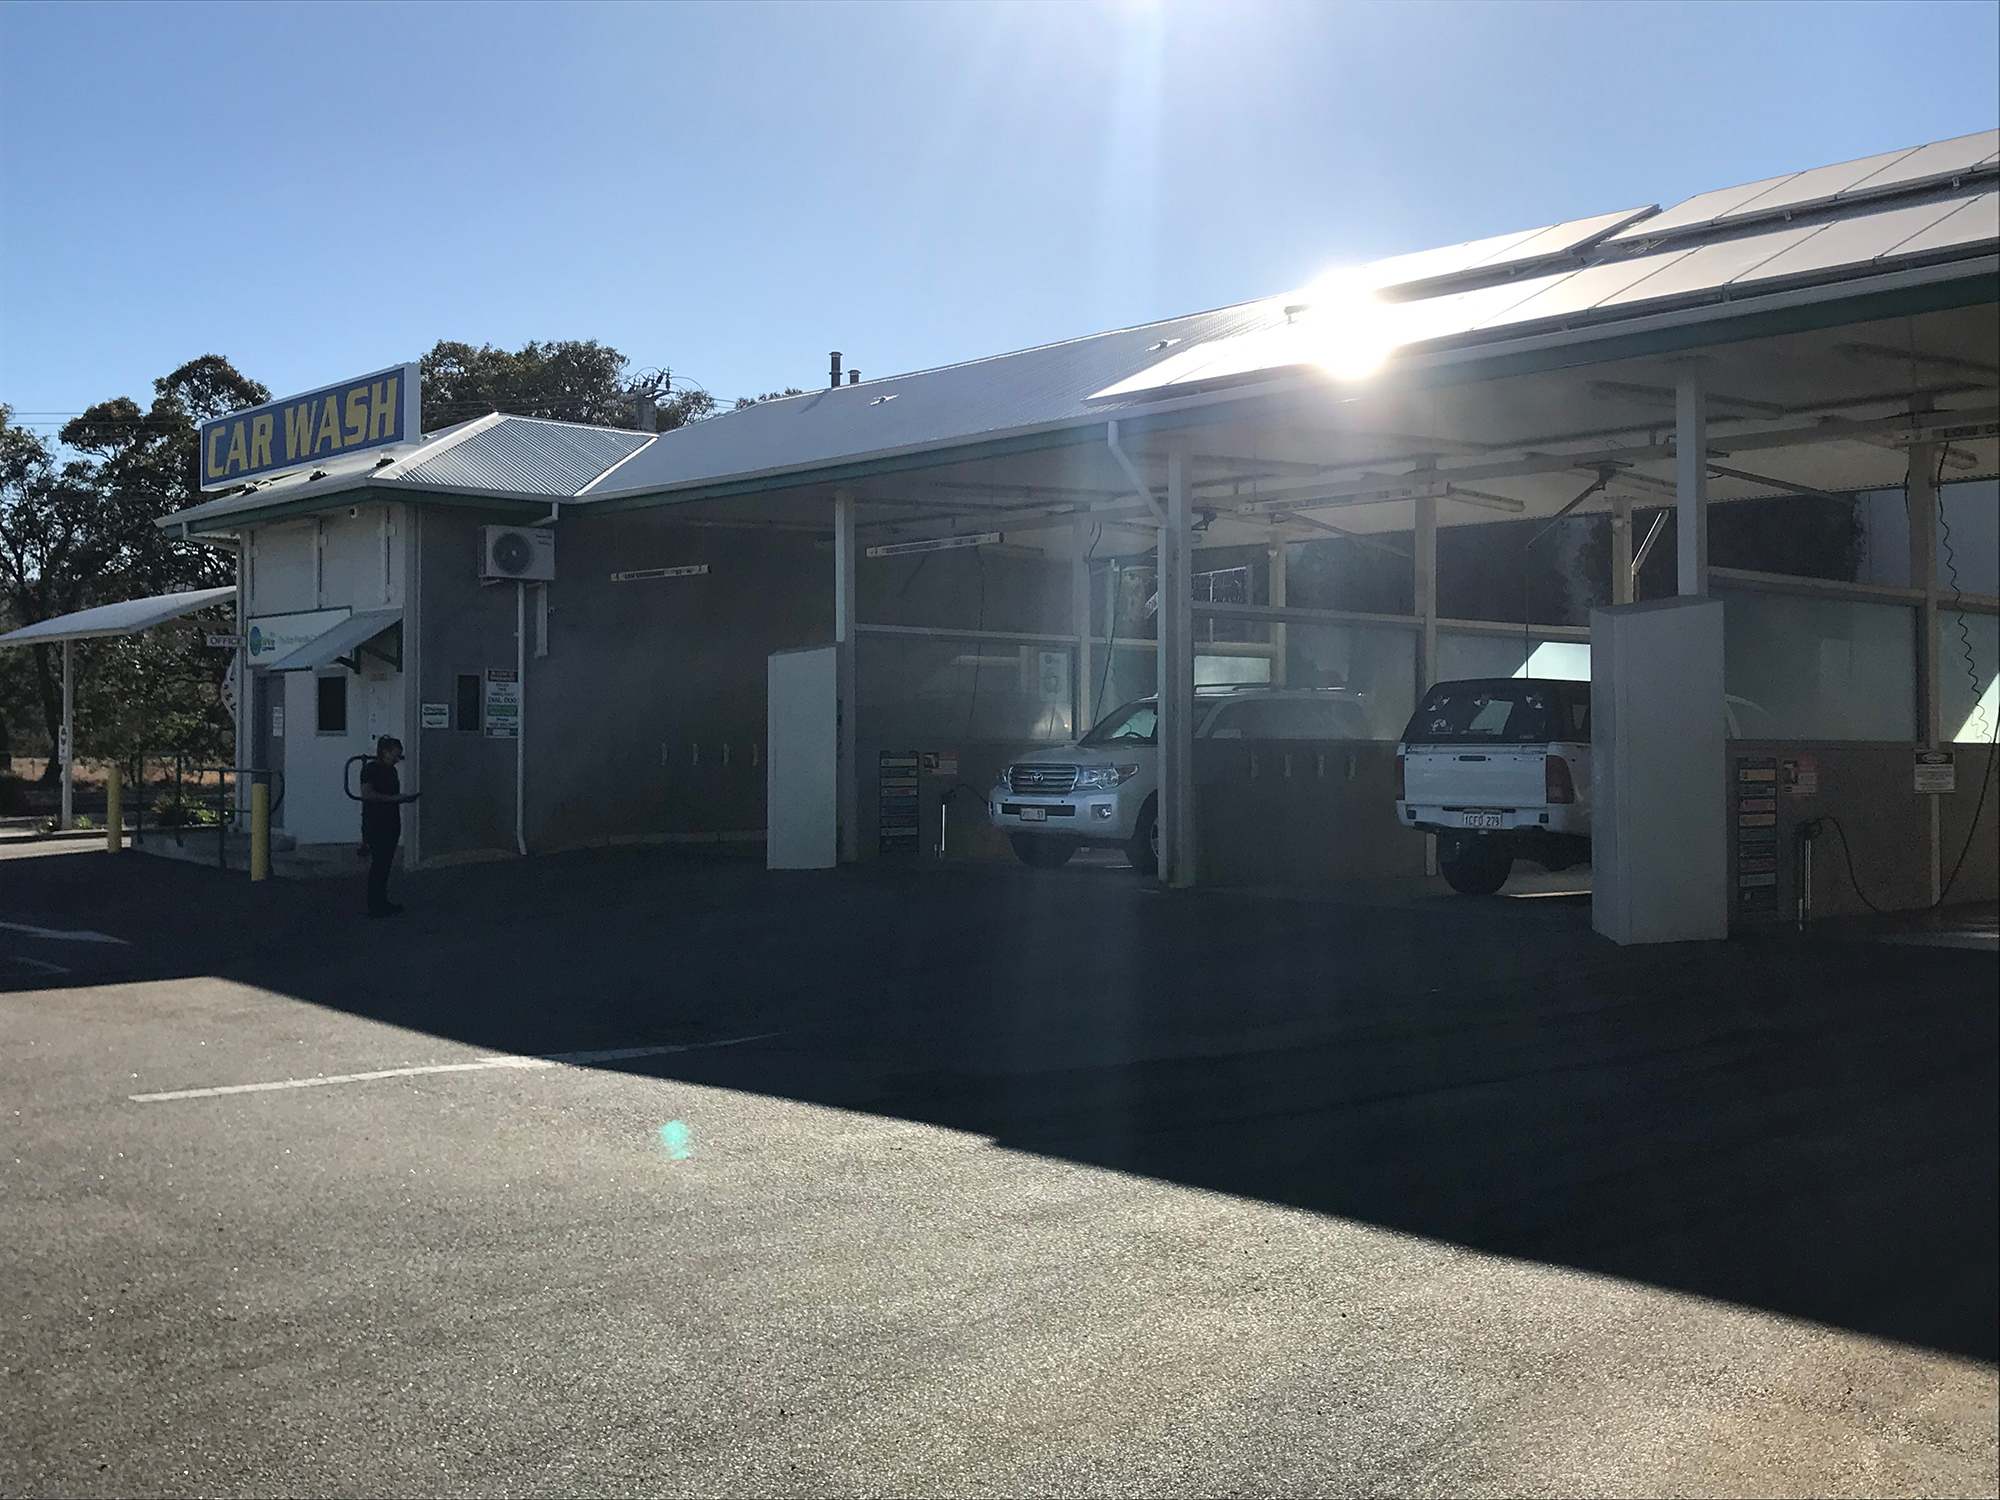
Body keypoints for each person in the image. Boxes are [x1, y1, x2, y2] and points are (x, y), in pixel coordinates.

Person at [358, 736, 417, 917]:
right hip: (376, 822)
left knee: (384, 865)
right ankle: (375, 905)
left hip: (390, 821)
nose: (397, 758)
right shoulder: (371, 770)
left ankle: (381, 902)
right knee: (379, 864)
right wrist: (393, 799)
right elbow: (367, 794)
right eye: (395, 754)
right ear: (385, 751)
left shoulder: (391, 771)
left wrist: (401, 799)